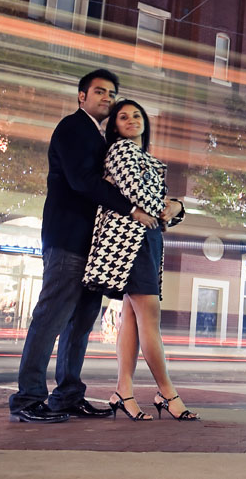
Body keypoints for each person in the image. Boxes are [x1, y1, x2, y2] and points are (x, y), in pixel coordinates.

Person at [8, 70, 159, 424]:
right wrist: (131, 209)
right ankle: (28, 398)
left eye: (112, 93)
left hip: (95, 247)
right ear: (82, 96)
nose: (106, 98)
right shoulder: (73, 128)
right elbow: (82, 181)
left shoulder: (101, 138)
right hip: (68, 238)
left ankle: (67, 395)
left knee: (80, 324)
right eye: (99, 92)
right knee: (51, 317)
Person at [83, 100, 198, 422]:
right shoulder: (120, 152)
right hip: (129, 242)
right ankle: (166, 391)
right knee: (150, 317)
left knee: (132, 320)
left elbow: (161, 213)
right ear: (115, 126)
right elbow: (140, 196)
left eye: (136, 115)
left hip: (145, 239)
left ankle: (124, 391)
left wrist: (173, 208)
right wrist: (172, 204)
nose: (131, 120)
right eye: (123, 117)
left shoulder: (145, 158)